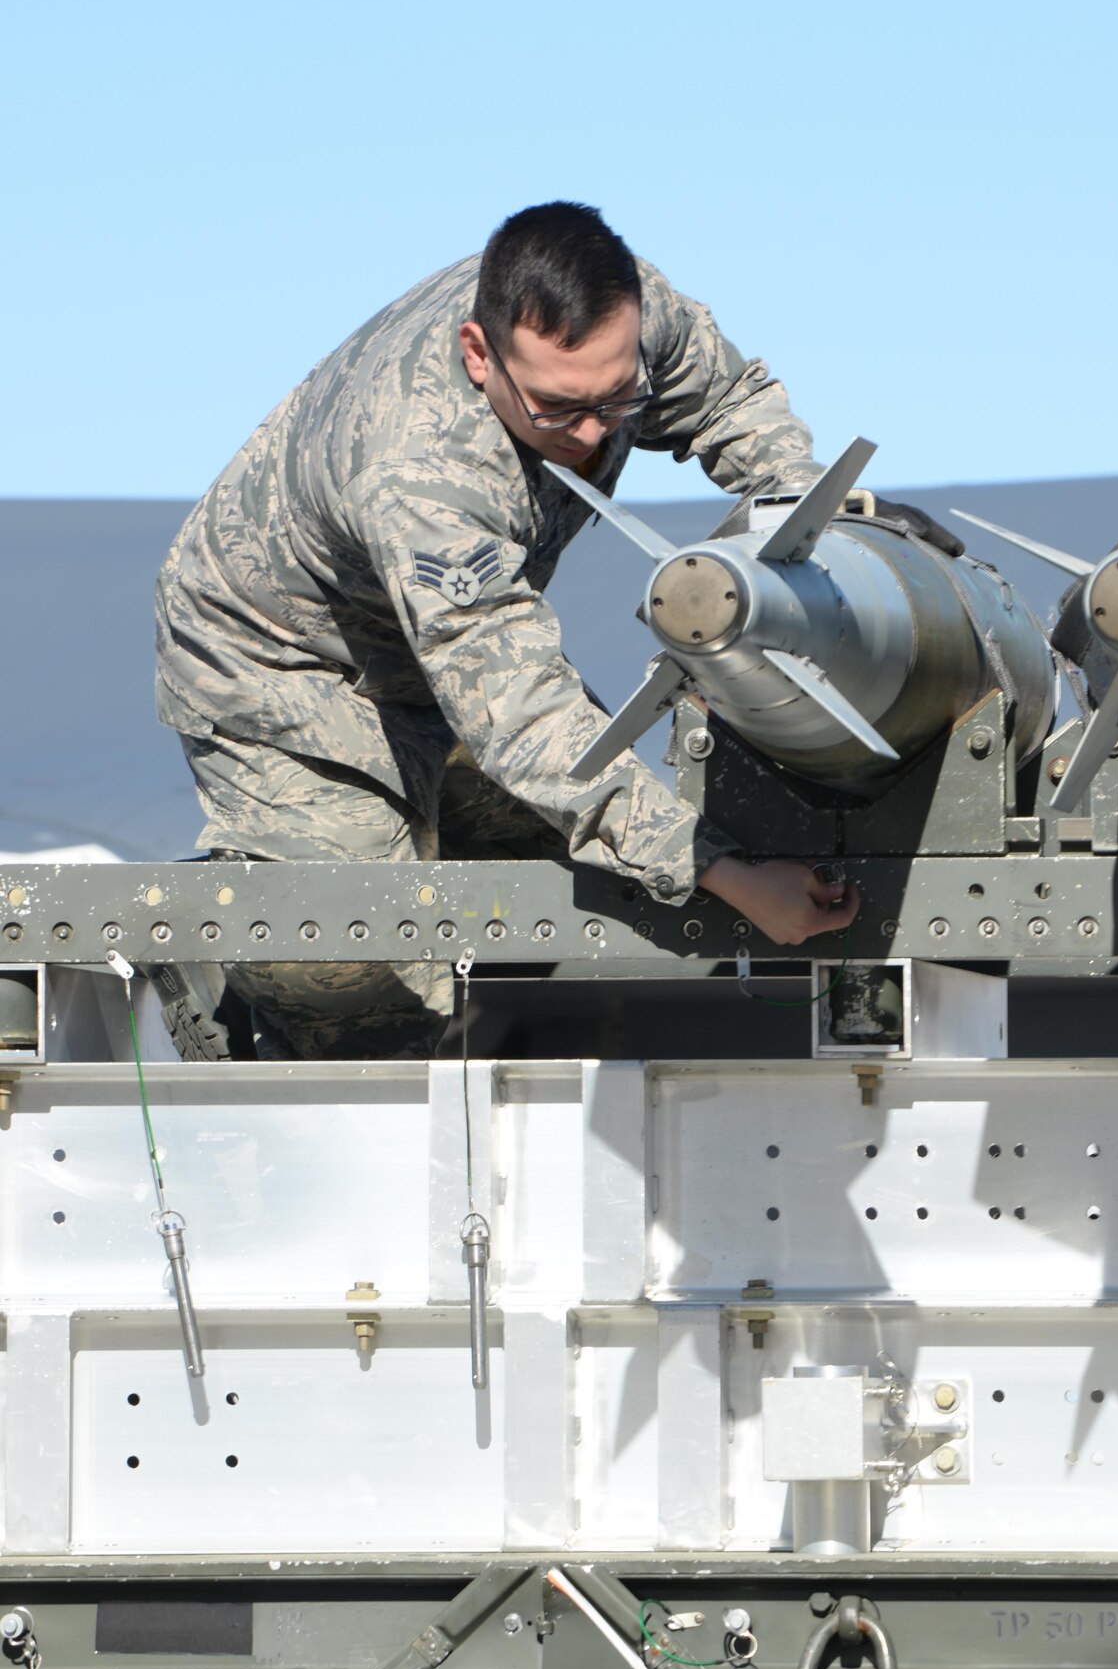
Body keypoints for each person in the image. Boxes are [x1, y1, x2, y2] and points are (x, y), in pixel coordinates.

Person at [155, 202, 949, 1058]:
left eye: (618, 401)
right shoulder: (421, 470)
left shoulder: (629, 316)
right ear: (477, 355)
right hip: (283, 660)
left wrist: (809, 524)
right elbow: (524, 718)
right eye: (559, 411)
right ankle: (230, 953)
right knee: (356, 975)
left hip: (448, 651)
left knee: (567, 879)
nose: (596, 433)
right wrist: (722, 870)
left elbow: (728, 401)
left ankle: (458, 1020)